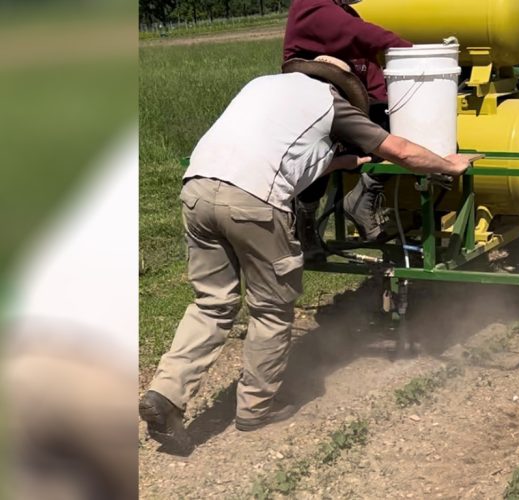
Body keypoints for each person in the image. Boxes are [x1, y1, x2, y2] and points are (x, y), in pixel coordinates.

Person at [138, 56, 483, 453]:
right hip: (252, 202)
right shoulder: (331, 103)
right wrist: (447, 163)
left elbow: (279, 152)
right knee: (271, 306)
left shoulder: (261, 86)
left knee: (212, 304)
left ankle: (165, 394)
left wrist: (343, 162)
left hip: (197, 189)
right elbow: (400, 148)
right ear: (341, 86)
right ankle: (255, 408)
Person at [284, 0, 413, 250]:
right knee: (318, 146)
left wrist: (391, 109)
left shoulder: (345, 13)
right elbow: (364, 36)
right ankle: (305, 217)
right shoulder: (311, 7)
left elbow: (371, 75)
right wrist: (412, 52)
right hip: (313, 107)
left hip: (348, 109)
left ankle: (364, 195)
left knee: (403, 128)